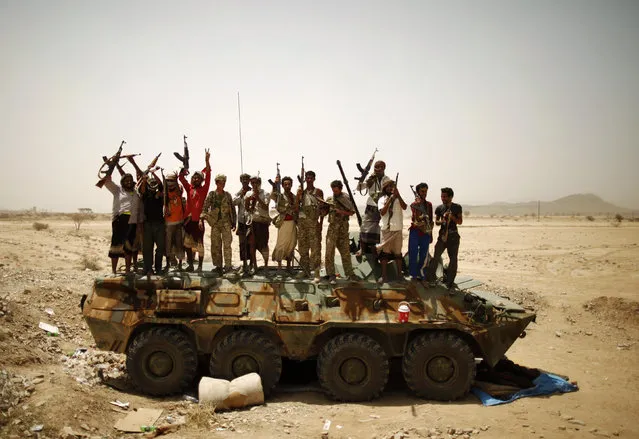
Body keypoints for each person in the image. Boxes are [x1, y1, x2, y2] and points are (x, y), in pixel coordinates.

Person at [179, 149, 211, 272]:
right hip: (187, 220)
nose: (196, 179)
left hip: (198, 221)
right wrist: (184, 167)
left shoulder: (204, 189)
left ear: (201, 180)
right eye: (194, 177)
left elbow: (208, 175)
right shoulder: (189, 189)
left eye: (198, 178)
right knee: (187, 244)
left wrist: (207, 161)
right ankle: (191, 265)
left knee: (199, 245)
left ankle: (200, 266)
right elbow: (181, 178)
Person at [426, 187, 463, 289]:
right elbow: (436, 222)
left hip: (453, 237)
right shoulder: (439, 208)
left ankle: (450, 282)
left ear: (451, 197)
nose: (443, 198)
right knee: (436, 257)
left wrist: (452, 218)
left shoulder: (457, 207)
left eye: (445, 197)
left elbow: (460, 222)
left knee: (453, 260)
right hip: (442, 236)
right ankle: (431, 279)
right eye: (442, 196)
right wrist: (442, 220)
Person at [324, 180, 358, 284]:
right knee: (329, 252)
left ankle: (349, 274)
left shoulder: (346, 198)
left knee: (345, 252)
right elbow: (325, 212)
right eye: (333, 191)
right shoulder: (330, 199)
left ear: (340, 189)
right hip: (332, 228)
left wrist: (341, 212)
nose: (335, 193)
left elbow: (352, 212)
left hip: (343, 229)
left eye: (336, 191)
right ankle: (331, 275)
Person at [201, 174, 236, 274]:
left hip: (226, 223)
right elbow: (205, 207)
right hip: (215, 223)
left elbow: (233, 210)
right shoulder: (212, 194)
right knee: (216, 245)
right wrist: (204, 217)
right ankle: (218, 266)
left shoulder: (228, 195)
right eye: (221, 182)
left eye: (224, 182)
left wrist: (234, 222)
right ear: (216, 183)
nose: (223, 184)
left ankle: (228, 266)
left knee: (227, 245)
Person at [103, 173, 137, 274]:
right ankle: (113, 270)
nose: (129, 182)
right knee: (116, 245)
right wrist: (110, 169)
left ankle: (127, 270)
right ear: (122, 182)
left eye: (130, 180)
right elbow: (107, 182)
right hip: (119, 220)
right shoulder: (117, 190)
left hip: (132, 221)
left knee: (129, 246)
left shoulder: (136, 192)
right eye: (126, 180)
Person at [356, 160, 390, 255]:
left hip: (382, 206)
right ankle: (362, 249)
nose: (378, 169)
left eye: (380, 167)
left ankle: (378, 251)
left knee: (380, 230)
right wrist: (364, 179)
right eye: (376, 167)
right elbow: (359, 188)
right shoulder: (371, 178)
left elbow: (390, 190)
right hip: (371, 206)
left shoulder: (387, 179)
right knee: (364, 227)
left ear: (384, 168)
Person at [376, 179, 407, 283]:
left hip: (397, 229)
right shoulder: (382, 199)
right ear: (385, 188)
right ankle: (384, 276)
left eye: (392, 186)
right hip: (386, 229)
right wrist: (390, 200)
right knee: (385, 254)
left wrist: (398, 196)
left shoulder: (398, 199)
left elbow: (405, 206)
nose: (390, 188)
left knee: (398, 254)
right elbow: (383, 212)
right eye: (388, 186)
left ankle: (399, 276)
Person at [296, 170, 325, 280]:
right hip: (302, 224)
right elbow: (296, 208)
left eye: (311, 177)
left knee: (315, 249)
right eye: (307, 177)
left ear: (314, 179)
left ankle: (316, 272)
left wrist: (321, 224)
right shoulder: (301, 192)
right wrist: (298, 195)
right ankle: (305, 270)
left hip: (313, 224)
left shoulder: (318, 192)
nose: (309, 179)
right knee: (303, 248)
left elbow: (322, 209)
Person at [139, 173, 166, 275]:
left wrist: (154, 172)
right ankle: (148, 268)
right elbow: (142, 189)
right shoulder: (145, 195)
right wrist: (145, 179)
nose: (153, 185)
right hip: (148, 224)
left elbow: (160, 183)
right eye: (151, 183)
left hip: (159, 224)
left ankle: (158, 268)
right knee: (147, 248)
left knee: (160, 248)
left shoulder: (160, 194)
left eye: (154, 183)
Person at [271, 175, 298, 273]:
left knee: (291, 244)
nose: (287, 186)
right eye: (285, 184)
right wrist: (275, 184)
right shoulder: (280, 196)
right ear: (282, 185)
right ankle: (279, 267)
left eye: (289, 184)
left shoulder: (294, 196)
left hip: (292, 222)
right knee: (281, 244)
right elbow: (273, 196)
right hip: (283, 222)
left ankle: (288, 267)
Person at [244, 176, 271, 273]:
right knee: (252, 244)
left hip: (262, 222)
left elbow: (265, 206)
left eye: (256, 182)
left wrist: (258, 197)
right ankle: (254, 265)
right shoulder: (248, 193)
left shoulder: (266, 193)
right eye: (252, 183)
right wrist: (248, 200)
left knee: (264, 244)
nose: (254, 185)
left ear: (260, 183)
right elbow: (246, 208)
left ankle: (266, 265)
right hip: (252, 222)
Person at [408, 183, 433, 280]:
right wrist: (418, 204)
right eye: (422, 191)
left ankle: (421, 273)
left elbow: (430, 220)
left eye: (426, 191)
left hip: (426, 232)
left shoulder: (429, 205)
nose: (424, 193)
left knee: (423, 254)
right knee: (413, 253)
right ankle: (413, 274)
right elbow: (417, 218)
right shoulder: (414, 204)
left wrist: (431, 234)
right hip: (415, 231)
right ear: (418, 192)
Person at [164, 172, 185, 270]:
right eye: (168, 181)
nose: (170, 183)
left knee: (179, 243)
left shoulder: (178, 188)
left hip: (179, 222)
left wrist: (176, 179)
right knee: (168, 244)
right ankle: (169, 263)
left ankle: (180, 264)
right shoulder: (164, 191)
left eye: (171, 180)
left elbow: (179, 190)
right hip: (168, 223)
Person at [233, 173, 252, 274]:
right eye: (243, 179)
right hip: (241, 221)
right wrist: (241, 194)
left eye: (246, 179)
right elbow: (234, 202)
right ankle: (244, 264)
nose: (245, 181)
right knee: (242, 244)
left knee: (251, 244)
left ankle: (251, 264)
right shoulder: (239, 192)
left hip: (251, 221)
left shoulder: (252, 191)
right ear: (241, 180)